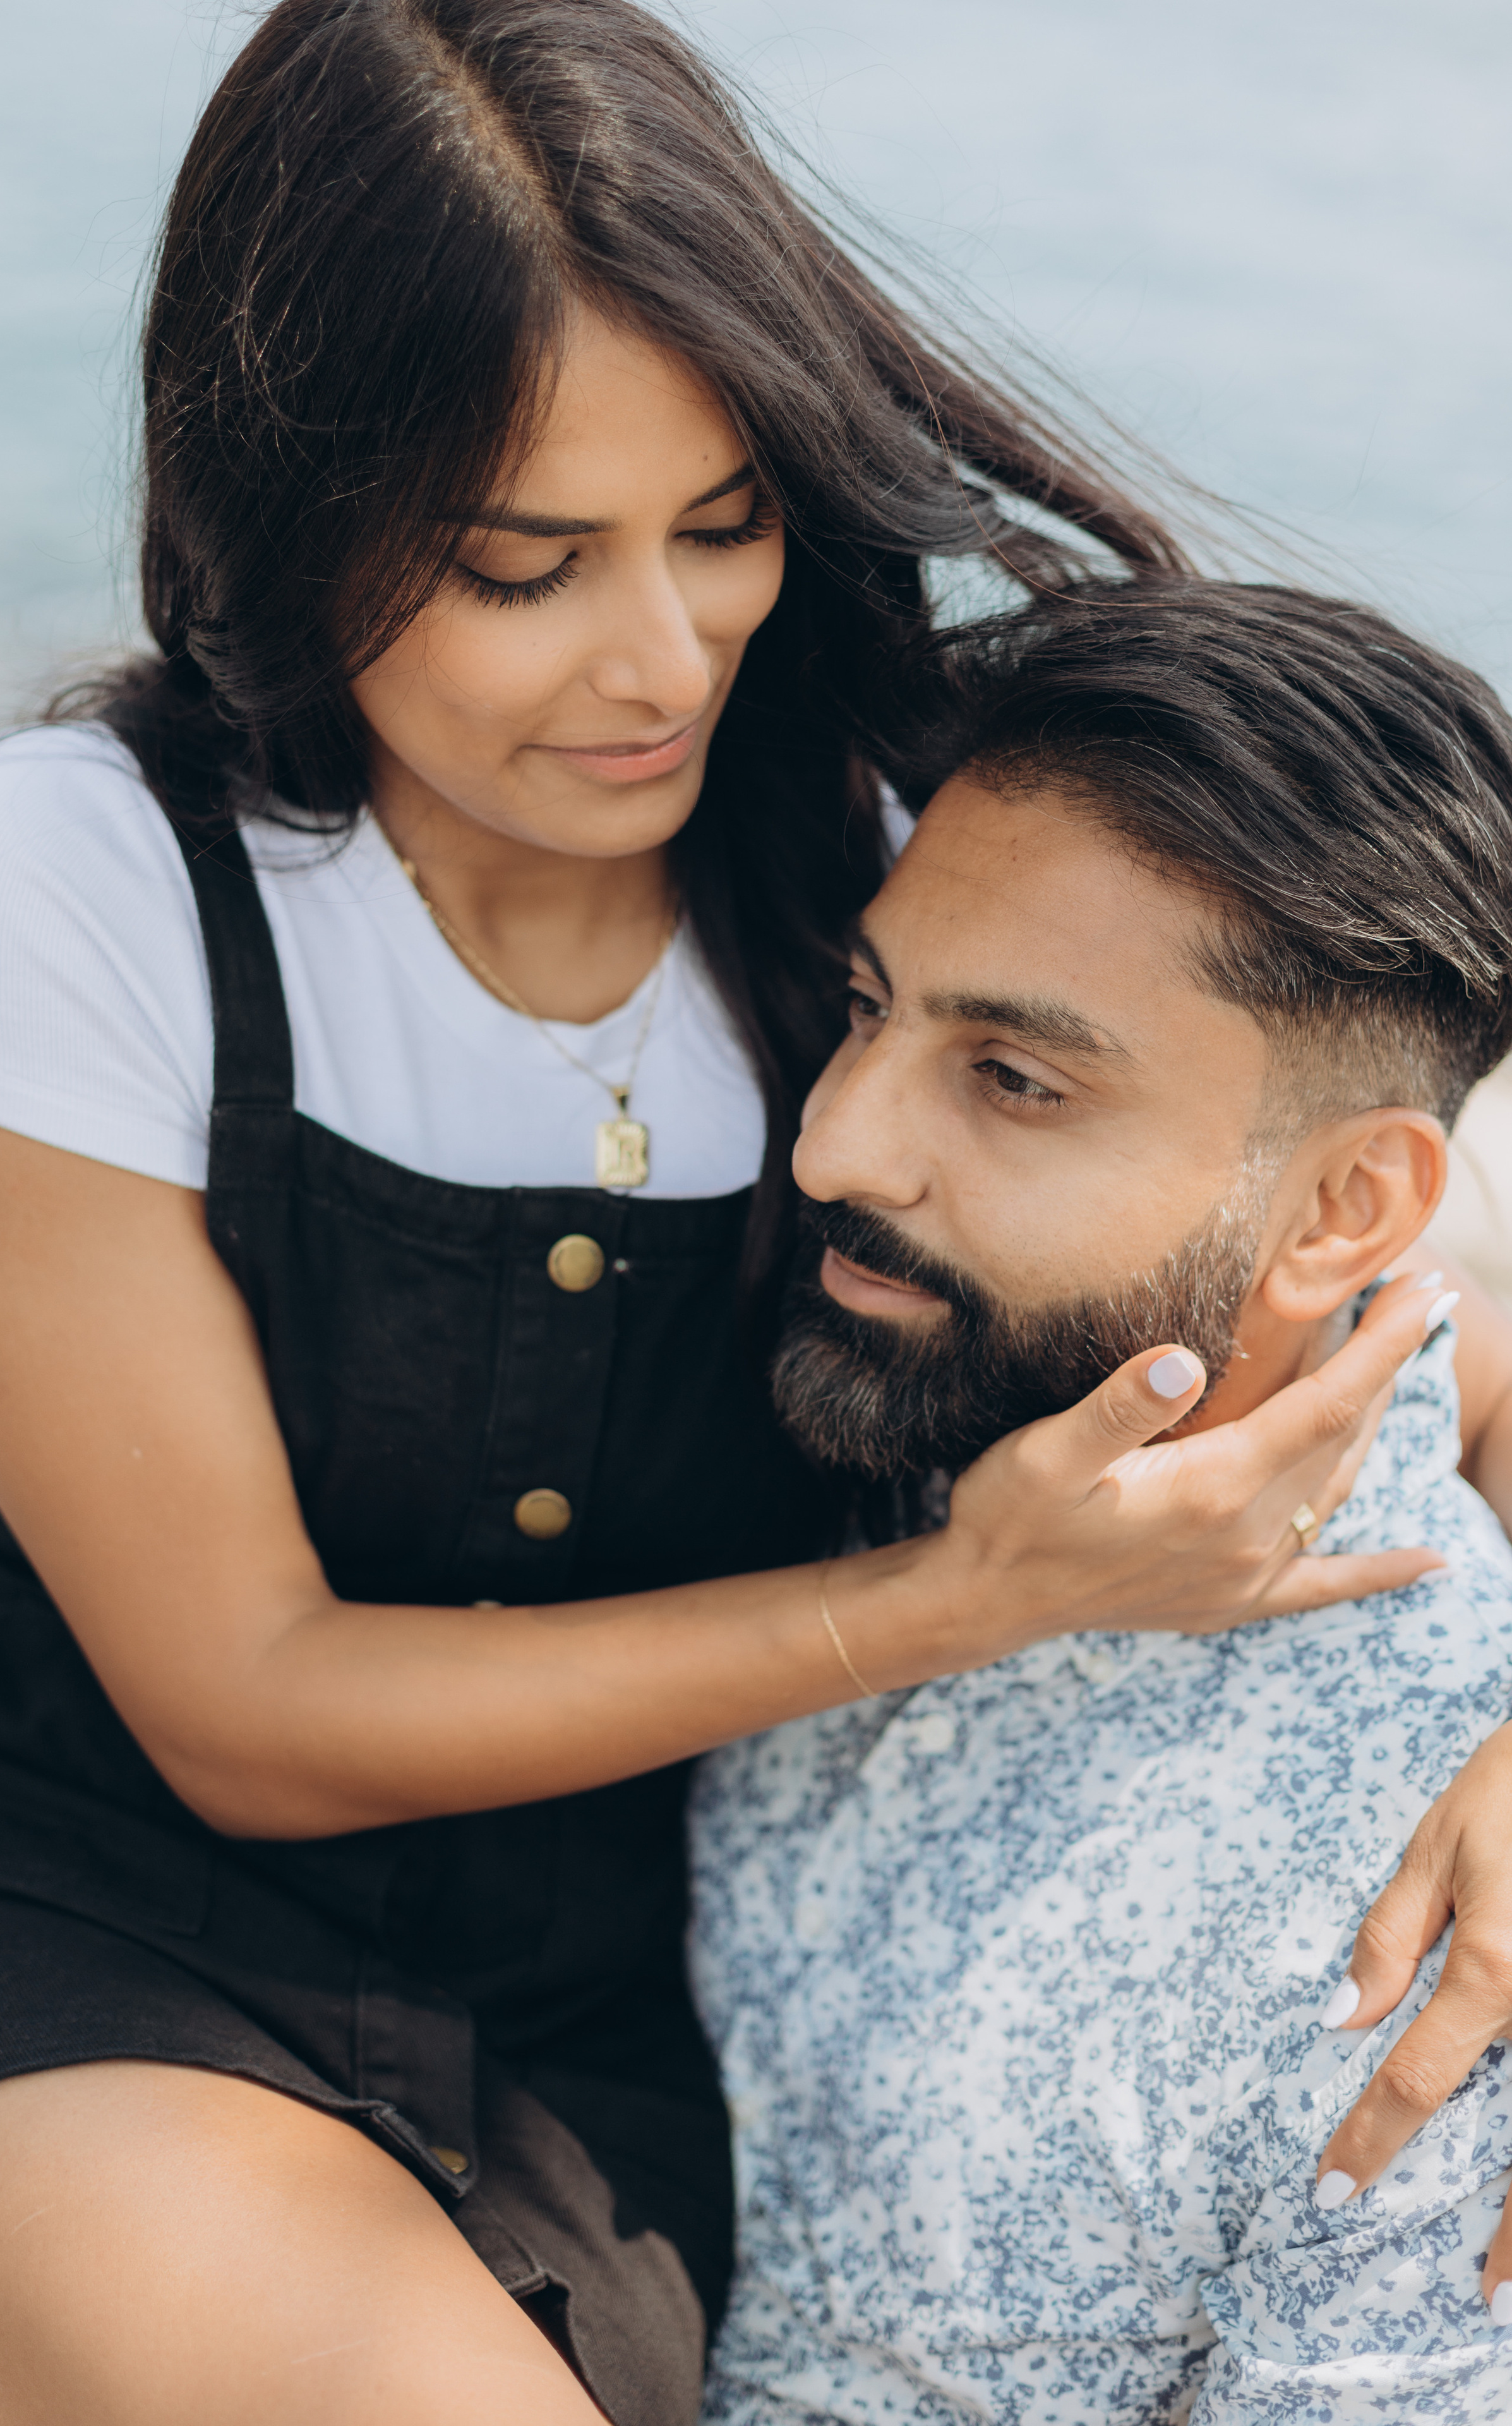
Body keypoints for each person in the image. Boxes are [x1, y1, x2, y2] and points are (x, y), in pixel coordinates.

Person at [0, 3, 1504, 2418]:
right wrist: (952, 1606)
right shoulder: (80, 883)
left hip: (630, 2035)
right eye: (527, 568)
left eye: (724, 524)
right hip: (83, 1886)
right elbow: (245, 1706)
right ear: (287, 518)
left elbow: (1413, 1264)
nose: (662, 664)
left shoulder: (886, 848)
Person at [690, 579, 1512, 2423]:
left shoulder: (1428, 1942)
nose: (831, 1143)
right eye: (865, 1006)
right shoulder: (923, 1379)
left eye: (1013, 1079)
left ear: (1344, 1212)